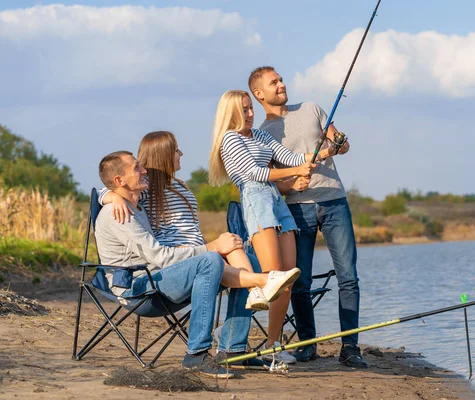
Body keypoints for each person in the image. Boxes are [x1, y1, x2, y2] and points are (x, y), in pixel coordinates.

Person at [95, 150, 299, 377]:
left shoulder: (136, 206)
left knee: (249, 260)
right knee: (210, 260)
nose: (144, 170)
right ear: (119, 181)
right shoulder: (118, 214)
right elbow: (161, 257)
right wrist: (212, 247)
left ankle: (232, 349)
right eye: (136, 168)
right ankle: (196, 354)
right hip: (138, 291)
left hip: (158, 280)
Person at [248, 66, 368, 368]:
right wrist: (292, 183)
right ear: (259, 93)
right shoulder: (262, 133)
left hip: (334, 201)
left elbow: (341, 144)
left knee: (348, 277)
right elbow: (272, 180)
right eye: (274, 82)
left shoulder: (312, 108)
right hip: (297, 208)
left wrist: (338, 144)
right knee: (298, 281)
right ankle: (306, 344)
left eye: (281, 79)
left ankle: (350, 347)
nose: (281, 84)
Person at [208, 90, 335, 364]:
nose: (251, 114)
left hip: (277, 200)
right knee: (273, 276)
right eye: (245, 109)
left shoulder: (259, 136)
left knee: (287, 279)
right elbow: (255, 173)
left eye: (251, 108)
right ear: (231, 113)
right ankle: (227, 333)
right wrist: (294, 173)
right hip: (256, 198)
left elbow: (289, 158)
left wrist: (322, 153)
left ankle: (272, 344)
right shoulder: (229, 140)